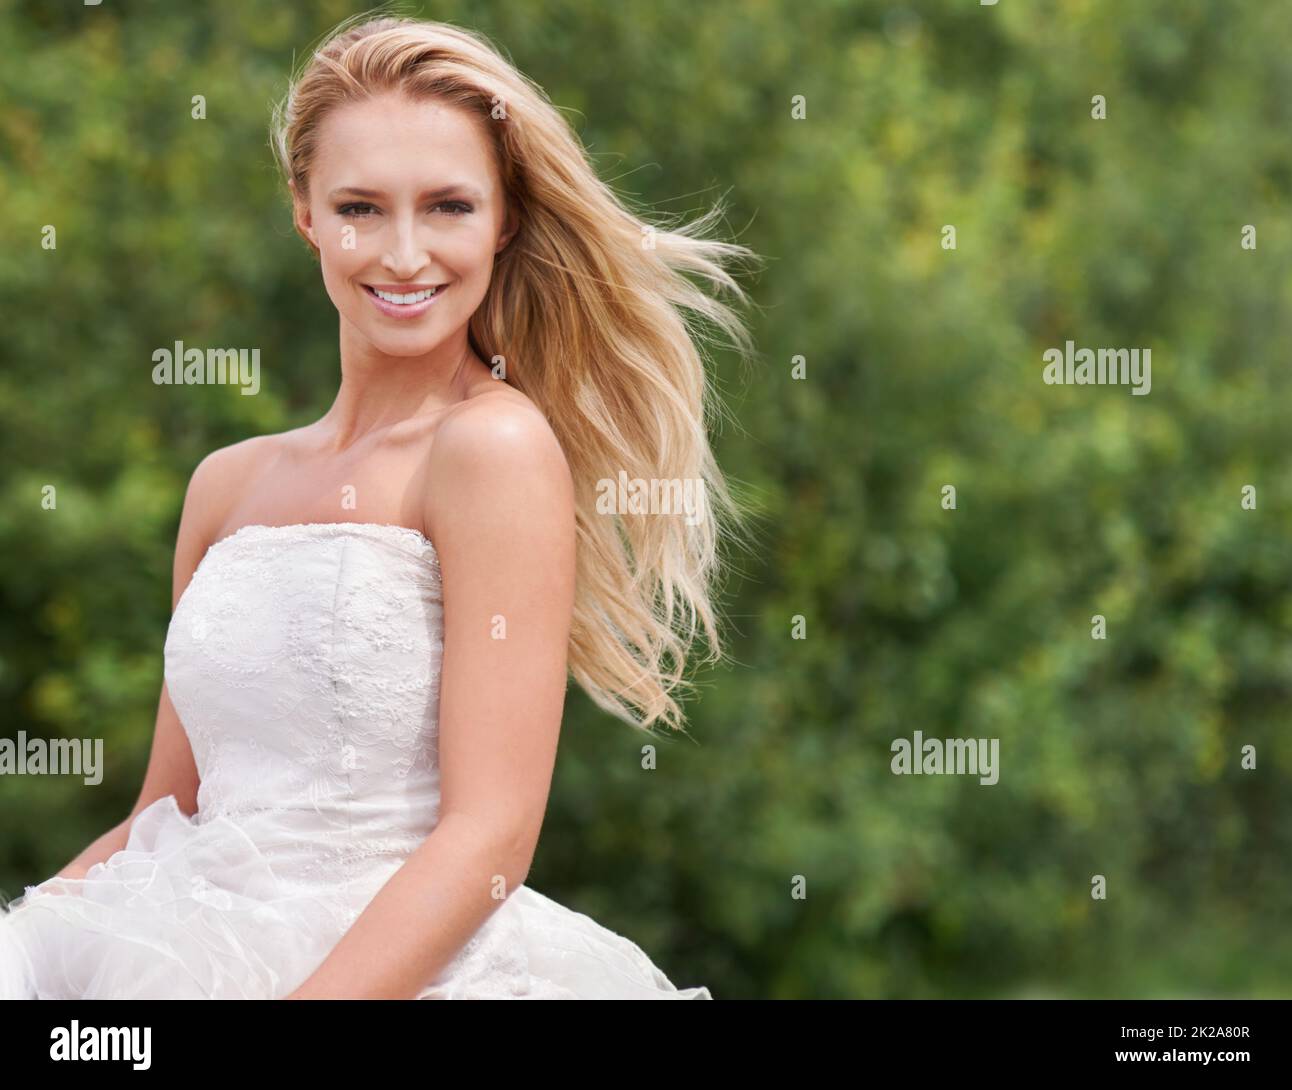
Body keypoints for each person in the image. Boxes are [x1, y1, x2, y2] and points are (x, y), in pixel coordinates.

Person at [0, 12, 758, 999]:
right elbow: (168, 812)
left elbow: (490, 833)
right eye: (361, 207)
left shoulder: (491, 448)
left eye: (448, 206)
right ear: (304, 210)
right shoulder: (225, 485)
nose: (404, 255)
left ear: (505, 221)